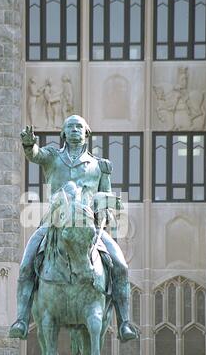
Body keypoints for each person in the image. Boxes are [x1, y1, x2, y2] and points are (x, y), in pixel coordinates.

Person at [10, 115, 136, 342]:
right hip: (54, 223)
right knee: (26, 264)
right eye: (70, 127)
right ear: (63, 134)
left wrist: (109, 202)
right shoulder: (52, 157)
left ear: (87, 133)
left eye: (79, 127)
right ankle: (21, 318)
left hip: (88, 226)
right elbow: (35, 155)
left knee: (121, 266)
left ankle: (124, 322)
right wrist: (29, 145)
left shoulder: (100, 165)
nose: (75, 130)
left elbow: (104, 194)